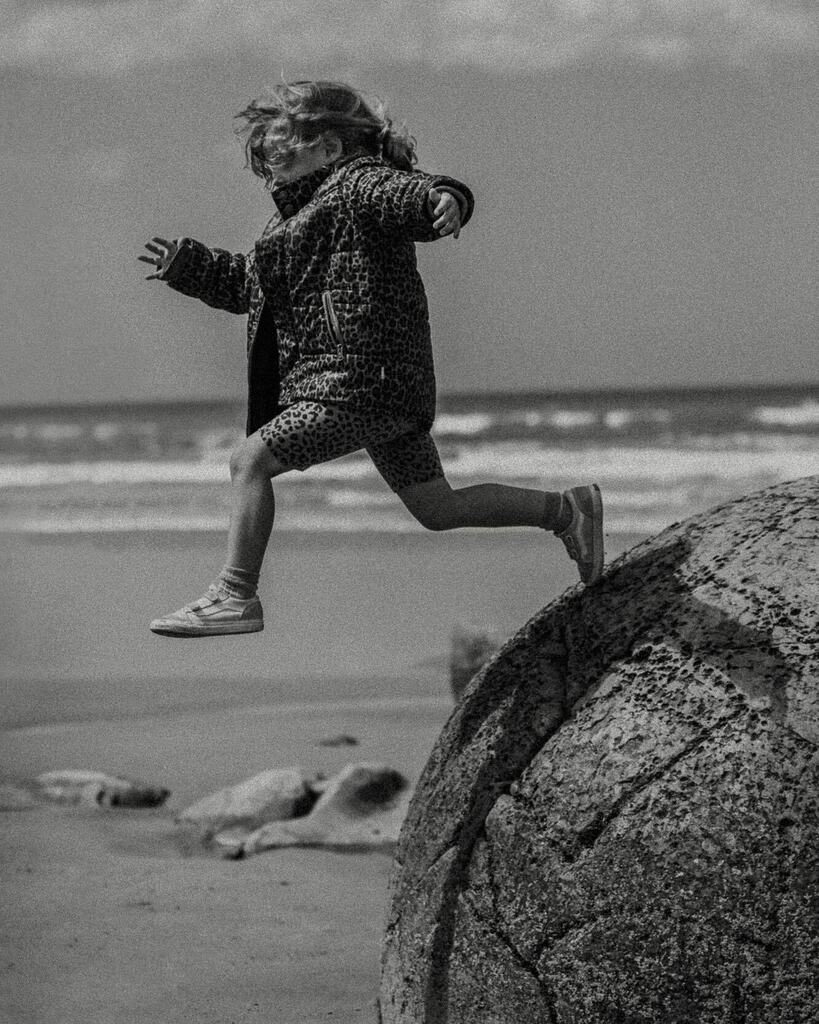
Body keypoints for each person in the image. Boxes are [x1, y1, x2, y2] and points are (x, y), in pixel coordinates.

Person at [139, 80, 603, 638]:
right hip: (377, 387)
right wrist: (190, 268)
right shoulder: (286, 227)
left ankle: (235, 593)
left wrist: (444, 198)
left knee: (250, 461)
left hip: (358, 381)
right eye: (265, 165)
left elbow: (406, 194)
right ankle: (566, 511)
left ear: (330, 148)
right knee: (437, 509)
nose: (272, 172)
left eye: (281, 156)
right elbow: (251, 289)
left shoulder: (355, 186)